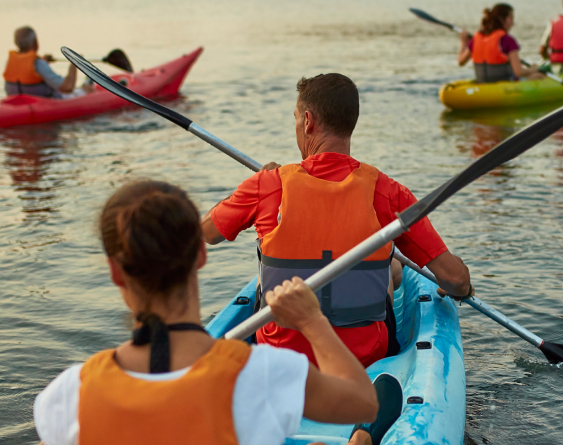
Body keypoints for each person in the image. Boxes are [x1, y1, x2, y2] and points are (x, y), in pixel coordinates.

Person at [30, 180, 381, 445]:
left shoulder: (72, 392)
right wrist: (312, 321)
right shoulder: (258, 373)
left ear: (114, 271)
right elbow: (363, 400)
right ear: (200, 253)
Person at [201, 74, 473, 367]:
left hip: (282, 353)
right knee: (392, 266)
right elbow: (455, 278)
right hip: (364, 357)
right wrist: (458, 288)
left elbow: (207, 233)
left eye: (295, 118)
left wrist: (255, 183)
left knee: (268, 266)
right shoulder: (388, 191)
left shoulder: (267, 185)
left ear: (307, 121)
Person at [457, 3, 544, 83]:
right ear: (502, 20)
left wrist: (463, 42)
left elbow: (461, 61)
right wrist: (534, 69)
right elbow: (519, 72)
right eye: (511, 19)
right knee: (539, 76)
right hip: (506, 85)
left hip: (482, 84)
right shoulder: (508, 40)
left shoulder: (476, 39)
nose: (513, 23)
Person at [3, 26, 79, 98]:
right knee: (86, 88)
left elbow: (29, 68)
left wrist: (43, 61)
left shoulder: (9, 61)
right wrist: (74, 63)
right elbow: (68, 87)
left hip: (19, 102)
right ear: (34, 42)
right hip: (48, 102)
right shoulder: (39, 63)